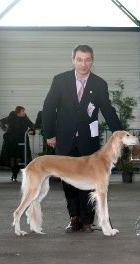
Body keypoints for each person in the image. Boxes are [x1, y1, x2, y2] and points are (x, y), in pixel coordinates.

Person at [42, 44, 123, 233]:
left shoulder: (99, 84)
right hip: (64, 139)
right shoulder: (60, 80)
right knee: (68, 180)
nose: (83, 64)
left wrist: (120, 134)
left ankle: (87, 220)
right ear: (73, 60)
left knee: (90, 182)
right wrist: (50, 134)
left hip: (88, 140)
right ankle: (74, 217)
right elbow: (48, 107)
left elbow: (108, 111)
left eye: (87, 60)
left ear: (92, 61)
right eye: (79, 59)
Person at [0, 106, 35, 181]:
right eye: (22, 111)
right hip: (11, 140)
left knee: (19, 156)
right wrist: (5, 129)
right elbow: (1, 121)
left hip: (22, 139)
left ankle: (17, 171)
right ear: (18, 112)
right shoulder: (11, 117)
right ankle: (14, 173)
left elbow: (32, 125)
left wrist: (32, 130)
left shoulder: (26, 119)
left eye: (24, 111)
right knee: (12, 156)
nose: (24, 112)